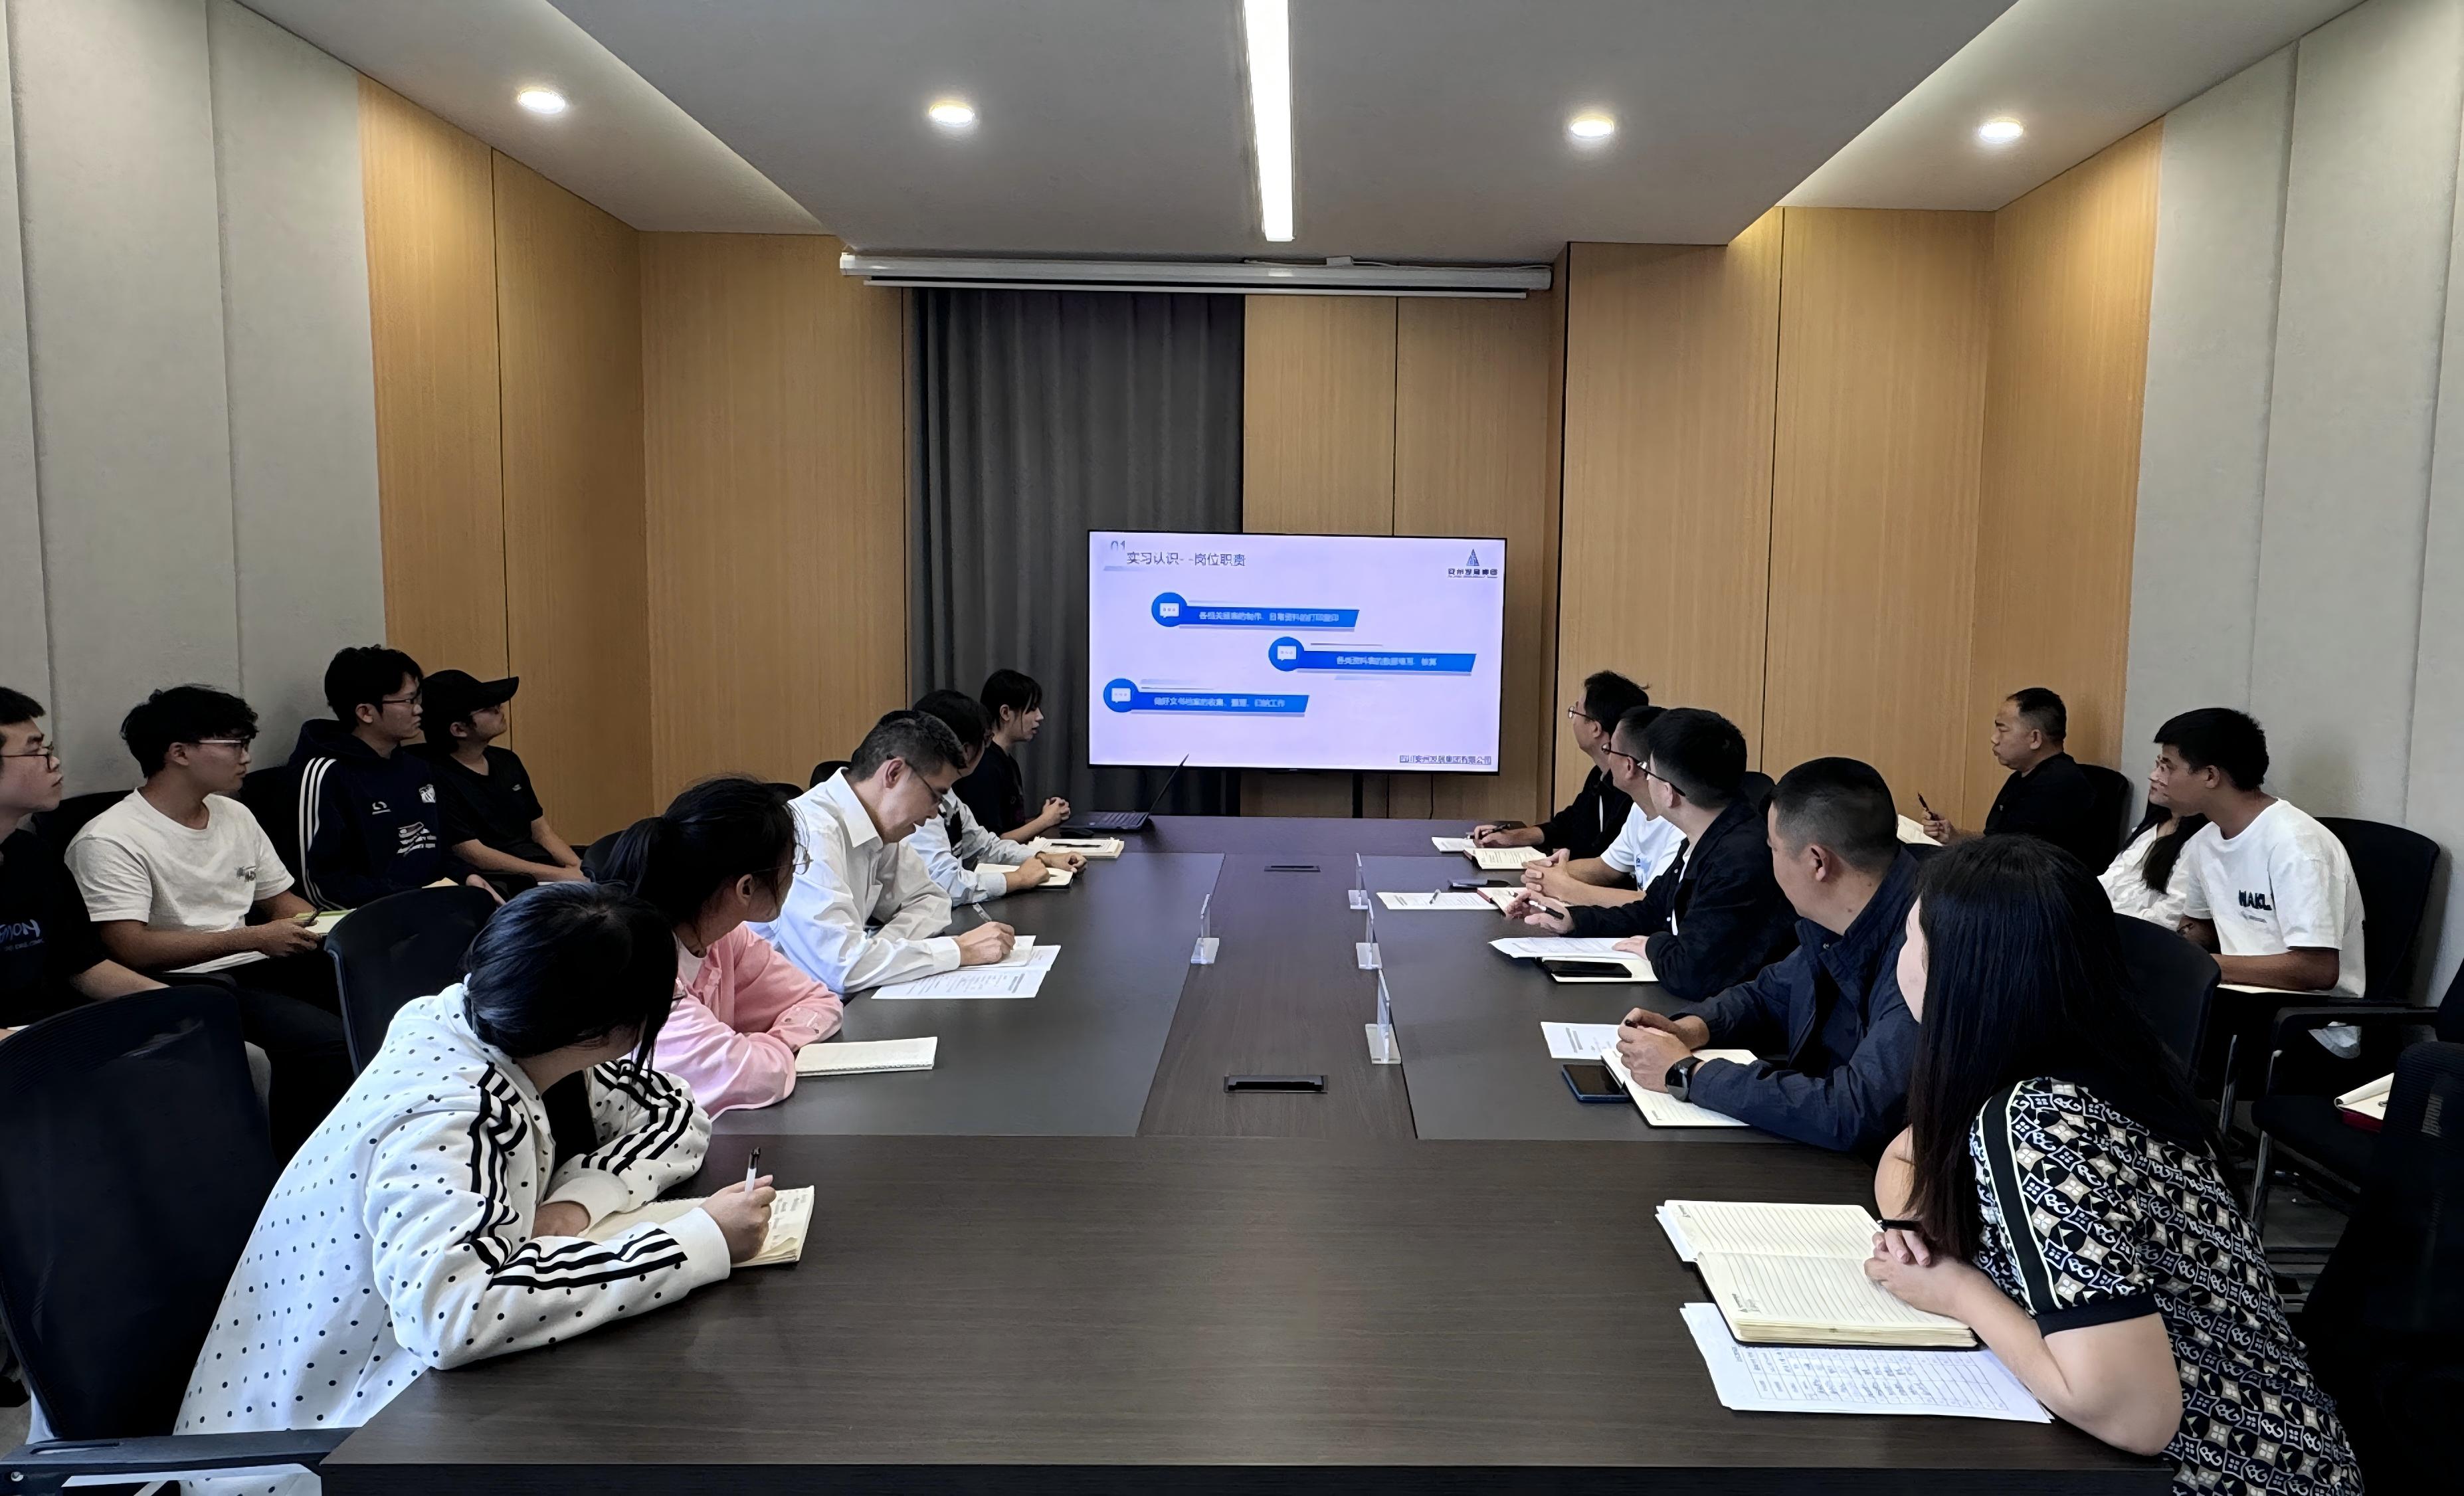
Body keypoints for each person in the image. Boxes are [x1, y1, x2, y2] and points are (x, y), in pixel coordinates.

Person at [175, 882, 771, 1467]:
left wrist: (583, 1200)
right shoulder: (452, 1114)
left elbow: (672, 1110)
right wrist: (695, 1243)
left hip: (415, 1398)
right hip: (321, 1445)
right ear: (620, 1029)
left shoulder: (509, 1026)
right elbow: (453, 1314)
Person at [1864, 836, 2360, 1495]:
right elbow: (1907, 1153)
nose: (1899, 959)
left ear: (1958, 973)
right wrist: (1911, 1219)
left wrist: (1956, 1289)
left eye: (1909, 940)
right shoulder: (2096, 1066)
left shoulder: (2037, 1121)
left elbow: (2133, 1416)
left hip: (2219, 1477)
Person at [1, 689, 329, 1148]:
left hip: (61, 1022)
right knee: (300, 1046)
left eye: (50, 748)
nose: (55, 763)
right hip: (37, 1037)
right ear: (178, 753)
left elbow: (82, 964)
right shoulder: (105, 839)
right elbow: (126, 949)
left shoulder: (29, 855)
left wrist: (182, 1005)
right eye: (36, 752)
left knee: (330, 1010)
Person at [1612, 757, 1921, 1155]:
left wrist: (1689, 1073)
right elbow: (1770, 994)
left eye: (1772, 848)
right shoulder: (1844, 914)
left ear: (1817, 862)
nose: (1767, 860)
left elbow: (1855, 1111)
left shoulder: (1922, 949)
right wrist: (1693, 1028)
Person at [596, 777, 844, 1115]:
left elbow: (820, 1001)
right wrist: (758, 1051)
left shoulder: (725, 938)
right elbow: (757, 1078)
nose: (793, 876)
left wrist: (769, 1044)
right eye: (792, 865)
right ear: (746, 888)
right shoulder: (641, 969)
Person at [1511, 708, 1794, 1001]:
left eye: (1649, 772)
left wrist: (1653, 946)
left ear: (1669, 793)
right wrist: (1574, 920)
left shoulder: (1738, 859)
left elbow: (1691, 973)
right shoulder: (1706, 834)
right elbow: (1653, 910)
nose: (1645, 780)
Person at [755, 713, 1016, 992]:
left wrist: (878, 951)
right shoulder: (811, 834)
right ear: (894, 773)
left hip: (830, 1000)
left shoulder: (879, 826)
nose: (934, 813)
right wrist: (958, 950)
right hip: (780, 1010)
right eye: (935, 796)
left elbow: (933, 900)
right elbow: (841, 969)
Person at [2155, 707, 2364, 996]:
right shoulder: (2205, 840)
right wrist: (2169, 951)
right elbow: (2200, 925)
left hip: (2304, 1015)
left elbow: (2317, 969)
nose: (2156, 776)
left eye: (2167, 767)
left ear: (2210, 775)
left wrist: (2200, 965)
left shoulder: (2297, 844)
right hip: (2234, 998)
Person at [287, 646, 489, 909]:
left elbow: (437, 850)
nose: (419, 710)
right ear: (366, 712)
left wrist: (466, 875)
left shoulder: (419, 769)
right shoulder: (325, 774)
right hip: (374, 918)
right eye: (408, 701)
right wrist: (414, 900)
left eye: (418, 698)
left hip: (430, 906)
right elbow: (321, 885)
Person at [413, 670, 585, 890]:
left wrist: (578, 868)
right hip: (503, 880)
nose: (499, 709)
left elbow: (541, 830)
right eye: (487, 708)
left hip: (544, 870)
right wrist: (560, 876)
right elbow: (473, 853)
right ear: (459, 729)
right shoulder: (432, 775)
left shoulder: (507, 760)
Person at [905, 692, 1084, 904]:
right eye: (986, 740)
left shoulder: (948, 794)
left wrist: (1043, 858)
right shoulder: (917, 801)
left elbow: (985, 848)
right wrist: (1017, 879)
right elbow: (944, 884)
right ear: (965, 750)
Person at [1519, 704, 1685, 909]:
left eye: (1609, 750)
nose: (1607, 758)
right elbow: (1606, 868)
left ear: (1629, 766)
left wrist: (1566, 888)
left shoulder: (1681, 827)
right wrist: (1544, 873)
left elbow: (1653, 905)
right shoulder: (1639, 809)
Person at [1923, 688, 2107, 867]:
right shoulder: (2023, 776)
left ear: (2035, 739)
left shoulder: (2058, 785)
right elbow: (1996, 840)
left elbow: (2012, 860)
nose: (1994, 739)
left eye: (2002, 730)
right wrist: (1954, 837)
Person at [1473, 670, 1648, 858]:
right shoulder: (1599, 775)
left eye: (1575, 712)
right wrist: (1513, 837)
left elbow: (1608, 862)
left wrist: (1558, 869)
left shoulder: (1630, 790)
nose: (1573, 721)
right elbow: (1570, 824)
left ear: (1595, 728)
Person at [955, 668, 1070, 842]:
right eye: (1031, 709)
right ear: (1005, 713)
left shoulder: (1007, 762)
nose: (1040, 717)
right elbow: (992, 843)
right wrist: (1045, 820)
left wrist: (1047, 817)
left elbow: (1011, 828)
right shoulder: (984, 765)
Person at [2099, 775, 2206, 931]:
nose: (2153, 776)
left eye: (2167, 769)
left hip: (2136, 931)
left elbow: (2169, 915)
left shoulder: (2198, 842)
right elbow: (2114, 875)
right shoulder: (2156, 822)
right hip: (2108, 916)